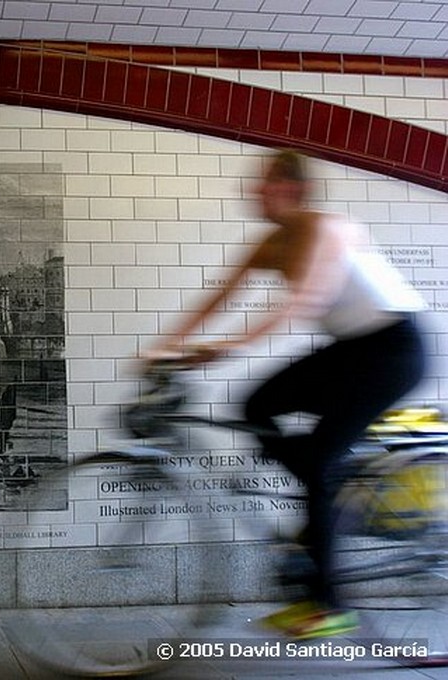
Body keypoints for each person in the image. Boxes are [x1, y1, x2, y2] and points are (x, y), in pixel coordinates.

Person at [152, 149, 427, 639]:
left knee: (319, 462)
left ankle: (327, 604)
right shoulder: (269, 244)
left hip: (396, 350)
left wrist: (226, 347)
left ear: (292, 188)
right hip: (351, 348)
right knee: (257, 405)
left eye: (265, 182)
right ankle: (330, 498)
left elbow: (300, 304)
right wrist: (165, 347)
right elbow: (219, 297)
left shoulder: (330, 230)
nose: (254, 190)